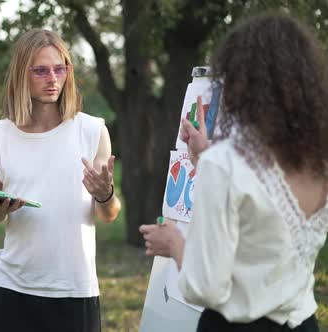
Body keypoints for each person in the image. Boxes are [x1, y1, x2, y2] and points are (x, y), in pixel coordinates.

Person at [139, 13, 328, 332]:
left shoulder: (226, 164)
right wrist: (203, 157)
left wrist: (173, 244)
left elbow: (206, 287)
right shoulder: (318, 157)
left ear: (241, 83)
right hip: (303, 323)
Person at [0, 29, 122, 332]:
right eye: (41, 70)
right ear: (21, 75)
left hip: (74, 288)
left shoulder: (92, 131)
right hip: (12, 287)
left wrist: (105, 195)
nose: (53, 78)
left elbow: (108, 215)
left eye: (60, 68)